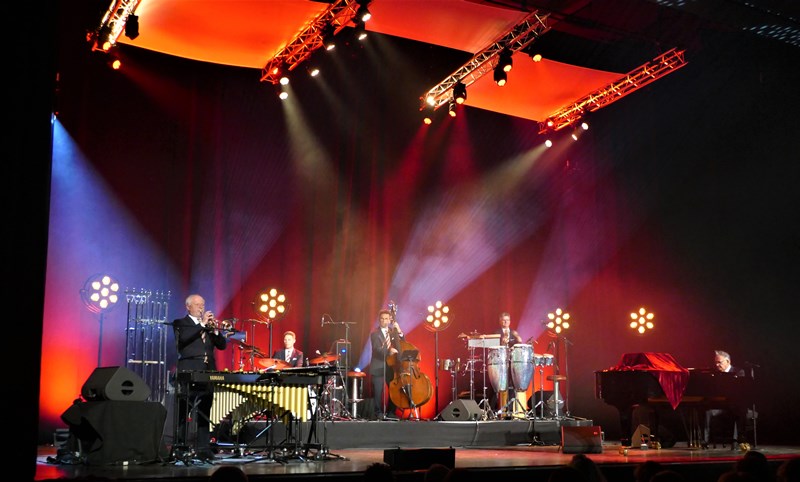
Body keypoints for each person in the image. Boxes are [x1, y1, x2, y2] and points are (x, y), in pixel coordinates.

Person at [172, 293, 228, 462]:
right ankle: (180, 447)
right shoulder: (180, 323)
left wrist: (216, 330)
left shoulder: (209, 327)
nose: (201, 307)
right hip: (189, 370)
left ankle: (203, 449)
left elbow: (222, 346)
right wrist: (202, 325)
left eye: (202, 304)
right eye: (197, 305)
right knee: (184, 410)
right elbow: (183, 342)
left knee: (205, 411)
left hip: (208, 371)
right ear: (188, 306)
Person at [706, 350, 748, 446]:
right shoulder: (714, 374)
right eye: (715, 362)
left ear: (728, 361)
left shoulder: (739, 372)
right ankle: (705, 440)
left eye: (719, 362)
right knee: (706, 411)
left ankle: (736, 441)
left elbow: (741, 392)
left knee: (738, 410)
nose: (717, 365)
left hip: (734, 404)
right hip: (720, 405)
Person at [369, 308, 404, 420]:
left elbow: (402, 342)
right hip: (378, 366)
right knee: (378, 392)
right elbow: (376, 349)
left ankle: (391, 412)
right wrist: (389, 351)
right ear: (379, 320)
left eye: (386, 319)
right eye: (382, 319)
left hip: (391, 367)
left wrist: (399, 331)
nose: (384, 321)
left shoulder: (392, 332)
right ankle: (378, 413)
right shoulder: (375, 334)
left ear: (390, 320)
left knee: (394, 390)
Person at [494, 312, 523, 415]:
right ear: (500, 321)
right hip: (499, 363)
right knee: (498, 385)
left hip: (511, 361)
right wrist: (502, 342)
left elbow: (519, 345)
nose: (505, 322)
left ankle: (510, 410)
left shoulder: (514, 332)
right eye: (503, 320)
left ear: (510, 321)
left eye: (507, 320)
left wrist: (519, 339)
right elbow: (493, 347)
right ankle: (494, 410)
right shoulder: (496, 332)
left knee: (512, 385)